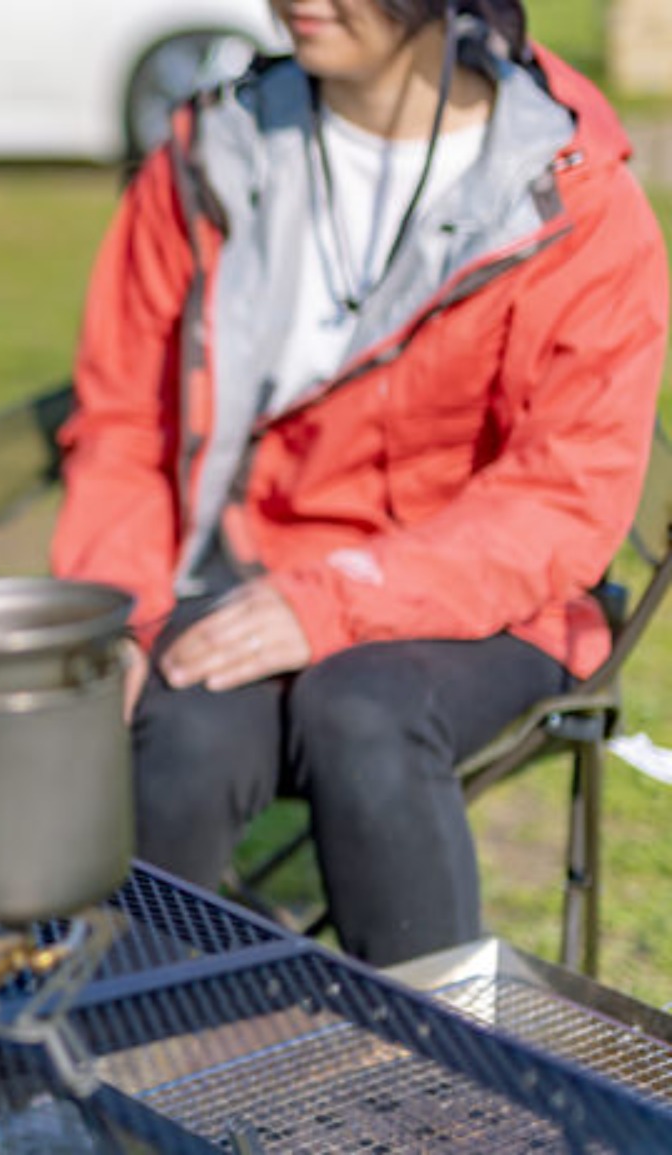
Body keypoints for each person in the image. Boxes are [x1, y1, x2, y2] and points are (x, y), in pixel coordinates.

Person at [52, 0, 668, 968]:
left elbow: (562, 498)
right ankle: (66, 1082)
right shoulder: (211, 149)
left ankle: (434, 1091)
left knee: (361, 712)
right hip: (249, 568)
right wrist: (116, 618)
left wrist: (338, 600)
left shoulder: (568, 193)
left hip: (489, 599)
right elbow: (128, 419)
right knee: (184, 722)